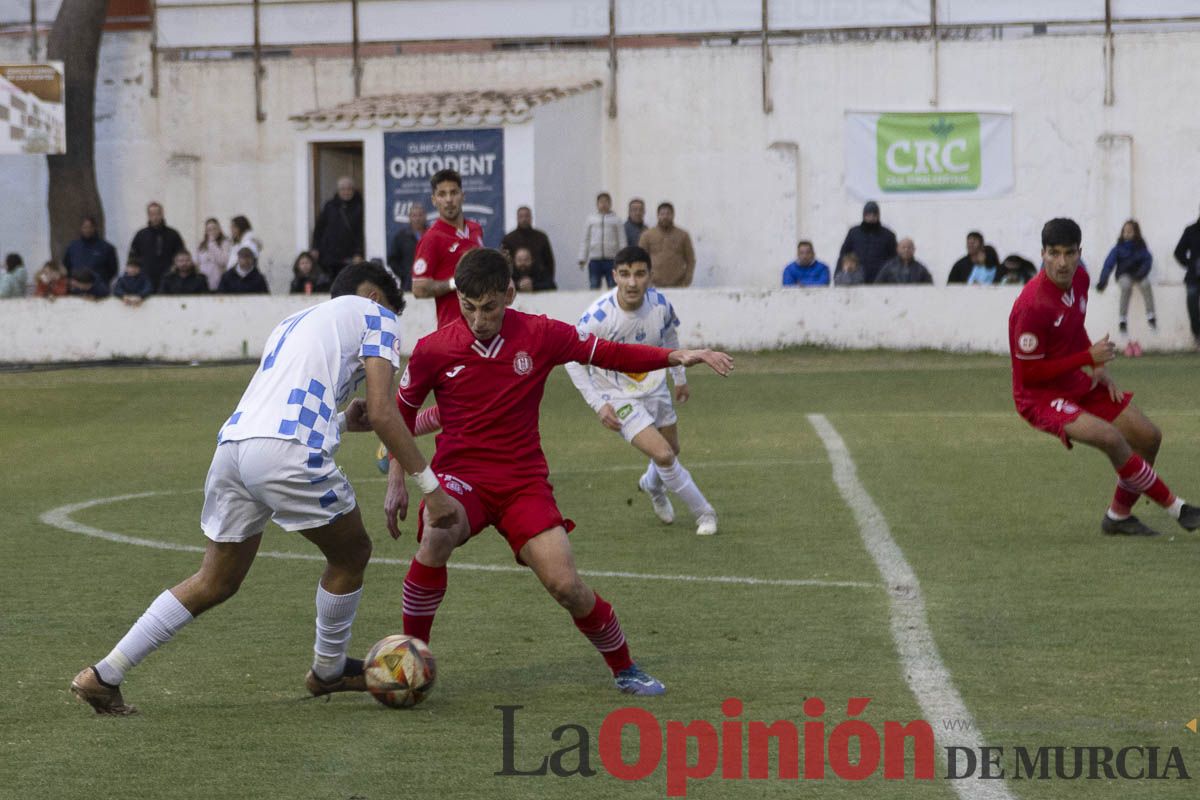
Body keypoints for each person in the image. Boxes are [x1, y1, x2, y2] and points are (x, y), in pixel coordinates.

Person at [70, 261, 457, 715]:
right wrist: (430, 487)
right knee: (351, 554)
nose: (394, 327)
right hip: (286, 454)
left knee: (214, 579)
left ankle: (103, 675)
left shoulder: (293, 323)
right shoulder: (378, 316)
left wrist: (338, 422)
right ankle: (328, 669)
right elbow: (384, 411)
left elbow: (280, 403)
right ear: (375, 299)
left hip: (233, 449)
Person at [390, 248, 733, 695]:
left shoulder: (541, 334)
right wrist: (397, 481)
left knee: (566, 585)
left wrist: (676, 357)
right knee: (437, 533)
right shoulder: (434, 349)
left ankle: (625, 667)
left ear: (509, 294)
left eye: (489, 307)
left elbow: (610, 353)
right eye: (468, 307)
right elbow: (397, 418)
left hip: (522, 483)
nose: (478, 319)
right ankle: (412, 661)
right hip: (460, 476)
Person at [1008, 217, 1200, 538]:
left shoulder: (1081, 278)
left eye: (1069, 253)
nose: (1062, 262)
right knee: (1112, 438)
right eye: (1053, 253)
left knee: (1148, 436)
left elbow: (1072, 326)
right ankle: (1177, 507)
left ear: (1079, 253)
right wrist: (1086, 358)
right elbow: (1028, 373)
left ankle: (1118, 516)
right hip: (1039, 397)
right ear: (1042, 254)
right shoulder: (1032, 305)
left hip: (1074, 382)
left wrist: (1096, 366)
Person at [565, 245, 719, 535]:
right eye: (624, 274)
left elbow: (670, 337)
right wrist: (598, 404)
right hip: (615, 394)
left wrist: (679, 376)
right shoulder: (597, 317)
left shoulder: (660, 305)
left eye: (639, 274)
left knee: (672, 449)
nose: (632, 282)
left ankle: (652, 486)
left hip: (653, 385)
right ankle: (705, 513)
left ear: (650, 275)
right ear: (614, 276)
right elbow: (572, 360)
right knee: (663, 454)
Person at [412, 168, 484, 330]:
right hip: (453, 330)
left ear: (462, 196)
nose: (449, 199)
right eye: (442, 194)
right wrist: (456, 282)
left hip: (483, 326)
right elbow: (419, 289)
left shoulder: (475, 228)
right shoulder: (431, 238)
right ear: (434, 200)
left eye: (453, 192)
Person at [1097, 219, 1155, 335]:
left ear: (1136, 233)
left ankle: (1151, 315)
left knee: (1145, 284)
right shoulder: (1118, 248)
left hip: (1139, 274)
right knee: (1126, 286)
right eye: (1125, 231)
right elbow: (1109, 264)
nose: (1127, 233)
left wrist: (1141, 273)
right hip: (1124, 274)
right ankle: (1122, 319)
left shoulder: (1141, 247)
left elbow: (1147, 261)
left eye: (1130, 231)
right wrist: (1103, 280)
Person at [311, 176, 365, 280]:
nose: (346, 192)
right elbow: (319, 228)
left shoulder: (360, 207)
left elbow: (360, 233)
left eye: (349, 189)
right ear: (338, 190)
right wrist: (315, 247)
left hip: (349, 256)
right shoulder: (330, 206)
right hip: (329, 257)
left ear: (353, 190)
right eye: (343, 189)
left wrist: (358, 253)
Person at [128, 202, 185, 292]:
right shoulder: (141, 235)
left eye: (157, 214)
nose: (155, 217)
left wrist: (175, 268)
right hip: (145, 280)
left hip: (169, 280)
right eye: (152, 214)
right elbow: (133, 257)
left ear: (162, 214)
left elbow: (181, 254)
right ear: (148, 215)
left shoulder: (173, 234)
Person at [638, 202, 696, 288]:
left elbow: (690, 260)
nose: (665, 217)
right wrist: (645, 281)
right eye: (662, 214)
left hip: (678, 285)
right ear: (657, 216)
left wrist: (687, 280)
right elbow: (640, 260)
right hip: (653, 285)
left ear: (673, 215)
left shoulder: (683, 235)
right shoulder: (647, 235)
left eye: (668, 214)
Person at [838, 201, 897, 284]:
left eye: (874, 214)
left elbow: (894, 259)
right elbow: (844, 254)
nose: (871, 217)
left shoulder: (888, 235)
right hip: (856, 280)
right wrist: (838, 275)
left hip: (881, 280)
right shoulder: (854, 233)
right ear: (864, 215)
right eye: (868, 214)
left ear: (878, 216)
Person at [578, 192, 626, 290]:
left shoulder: (616, 220)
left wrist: (623, 258)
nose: (603, 204)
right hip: (595, 260)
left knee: (613, 286)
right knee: (594, 285)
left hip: (612, 260)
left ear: (610, 204)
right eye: (601, 202)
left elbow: (622, 240)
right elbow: (585, 240)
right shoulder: (591, 219)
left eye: (606, 202)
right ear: (597, 204)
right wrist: (582, 257)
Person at [500, 206, 556, 291]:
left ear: (531, 217)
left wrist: (535, 284)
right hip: (514, 281)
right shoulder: (508, 239)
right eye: (521, 216)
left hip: (539, 280)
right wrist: (517, 285)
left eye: (527, 216)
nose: (524, 219)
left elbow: (549, 263)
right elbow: (502, 264)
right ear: (517, 218)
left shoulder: (541, 238)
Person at [63, 215, 119, 286]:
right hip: (76, 289)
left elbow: (113, 270)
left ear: (95, 228)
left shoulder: (107, 248)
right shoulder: (72, 247)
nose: (87, 230)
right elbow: (66, 267)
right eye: (85, 227)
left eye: (90, 227)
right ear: (81, 228)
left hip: (99, 291)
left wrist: (101, 283)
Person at [1172, 207, 1200, 348]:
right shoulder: (1191, 230)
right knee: (1193, 307)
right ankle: (1197, 336)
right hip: (1193, 277)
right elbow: (1178, 252)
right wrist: (1190, 264)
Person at [388, 202, 427, 292]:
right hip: (408, 285)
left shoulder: (432, 235)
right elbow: (392, 260)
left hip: (430, 282)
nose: (417, 219)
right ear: (409, 218)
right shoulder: (401, 236)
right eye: (414, 216)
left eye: (420, 215)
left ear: (425, 216)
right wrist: (404, 274)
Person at [196, 218, 231, 291]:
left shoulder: (225, 242)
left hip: (219, 282)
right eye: (209, 229)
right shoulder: (202, 245)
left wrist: (213, 244)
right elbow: (198, 264)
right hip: (204, 282)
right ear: (206, 231)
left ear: (219, 229)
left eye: (214, 228)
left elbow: (223, 261)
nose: (212, 232)